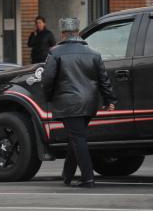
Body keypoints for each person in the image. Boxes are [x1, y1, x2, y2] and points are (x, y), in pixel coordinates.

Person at [42, 17, 117, 188]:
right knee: (75, 137)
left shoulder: (55, 53)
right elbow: (103, 80)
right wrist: (110, 100)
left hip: (69, 103)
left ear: (62, 33)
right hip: (90, 103)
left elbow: (48, 80)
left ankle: (88, 178)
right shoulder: (93, 53)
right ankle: (67, 174)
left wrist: (49, 97)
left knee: (77, 138)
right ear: (77, 32)